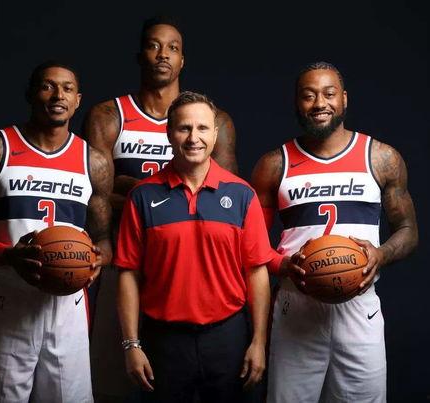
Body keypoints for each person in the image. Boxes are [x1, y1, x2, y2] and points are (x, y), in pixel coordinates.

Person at [82, 16, 238, 402]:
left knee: (184, 376)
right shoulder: (109, 115)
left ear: (183, 60)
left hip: (189, 261)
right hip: (125, 258)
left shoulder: (213, 120)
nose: (162, 54)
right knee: (114, 378)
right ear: (140, 55)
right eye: (154, 45)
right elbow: (92, 194)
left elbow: (226, 201)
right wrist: (153, 200)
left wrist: (133, 187)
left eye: (172, 48)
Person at [0, 61, 113, 403]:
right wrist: (6, 255)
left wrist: (97, 262)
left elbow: (104, 241)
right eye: (48, 86)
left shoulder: (93, 162)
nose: (58, 95)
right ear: (31, 94)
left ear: (78, 100)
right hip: (10, 298)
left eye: (67, 89)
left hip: (69, 305)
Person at [251, 61, 418, 402]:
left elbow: (408, 230)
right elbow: (252, 245)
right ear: (297, 102)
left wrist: (381, 254)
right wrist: (283, 265)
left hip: (359, 306)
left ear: (344, 99)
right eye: (309, 95)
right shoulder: (274, 164)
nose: (319, 103)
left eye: (328, 94)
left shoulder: (381, 158)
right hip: (296, 305)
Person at [115, 91, 273, 403]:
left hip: (228, 338)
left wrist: (258, 341)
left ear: (215, 133)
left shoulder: (242, 195)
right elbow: (128, 274)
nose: (193, 138)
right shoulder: (142, 196)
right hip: (163, 340)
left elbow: (257, 272)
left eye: (202, 128)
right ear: (169, 133)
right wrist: (131, 345)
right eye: (184, 128)